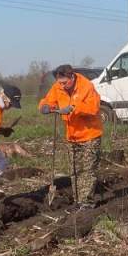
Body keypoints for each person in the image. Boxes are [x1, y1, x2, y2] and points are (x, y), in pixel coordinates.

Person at [39, 64, 103, 208]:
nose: (62, 85)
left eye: (64, 82)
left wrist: (74, 108)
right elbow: (48, 100)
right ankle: (78, 200)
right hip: (71, 136)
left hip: (90, 134)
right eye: (59, 82)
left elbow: (94, 108)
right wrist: (45, 106)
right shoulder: (57, 87)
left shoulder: (86, 86)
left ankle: (86, 203)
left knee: (87, 170)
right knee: (74, 170)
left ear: (72, 77)